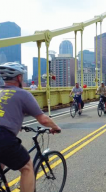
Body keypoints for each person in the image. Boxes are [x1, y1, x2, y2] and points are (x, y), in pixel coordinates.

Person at [0, 62, 61, 192]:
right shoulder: (23, 94)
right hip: (3, 137)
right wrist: (55, 127)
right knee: (27, 167)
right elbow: (43, 120)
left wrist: (17, 124)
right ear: (19, 78)